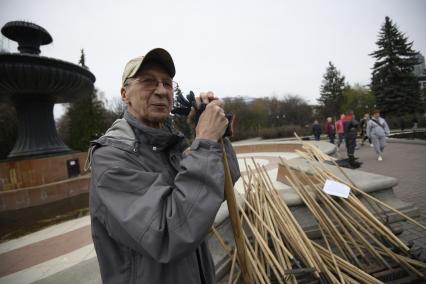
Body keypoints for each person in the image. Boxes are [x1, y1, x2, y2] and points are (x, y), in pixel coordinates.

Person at [87, 48, 240, 284]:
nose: (161, 91)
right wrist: (205, 141)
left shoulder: (169, 147)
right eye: (148, 82)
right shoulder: (112, 158)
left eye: (167, 83)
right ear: (124, 94)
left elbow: (220, 186)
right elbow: (170, 232)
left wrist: (215, 136)